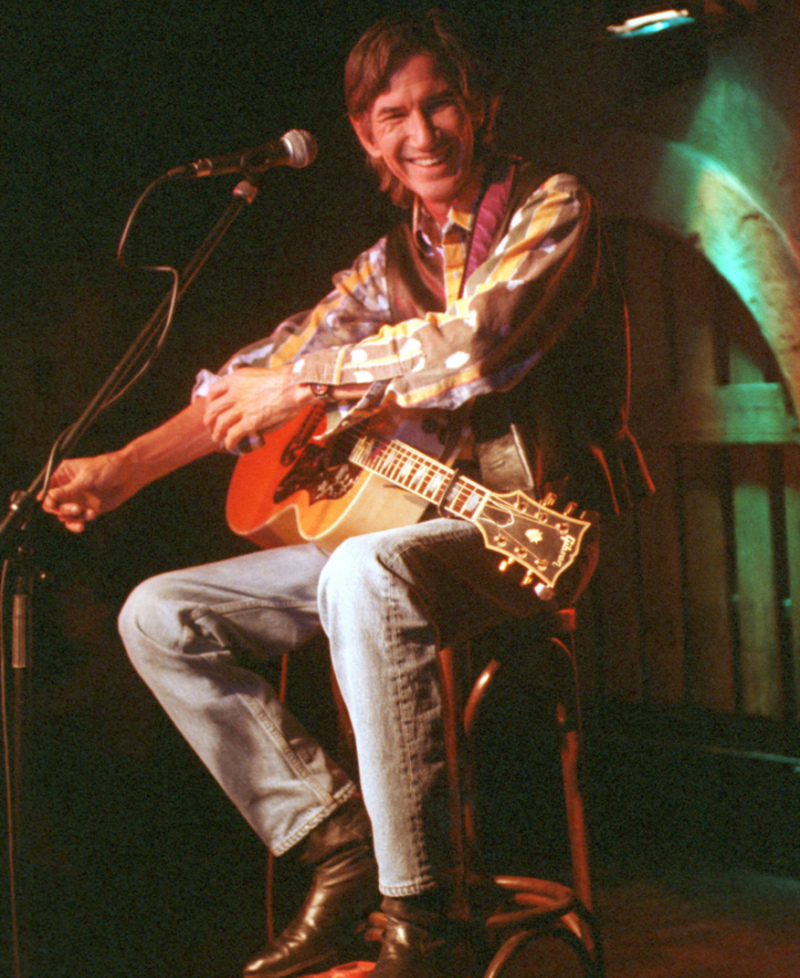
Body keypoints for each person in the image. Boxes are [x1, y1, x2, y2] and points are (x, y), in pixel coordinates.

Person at [43, 10, 651, 978]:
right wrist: (125, 469)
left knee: (364, 570)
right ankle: (335, 842)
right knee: (159, 614)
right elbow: (260, 374)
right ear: (365, 136)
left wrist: (306, 383)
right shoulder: (384, 266)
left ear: (478, 103)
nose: (422, 132)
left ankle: (420, 918)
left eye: (438, 101)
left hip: (535, 530)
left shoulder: (552, 205)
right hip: (409, 535)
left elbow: (475, 349)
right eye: (391, 114)